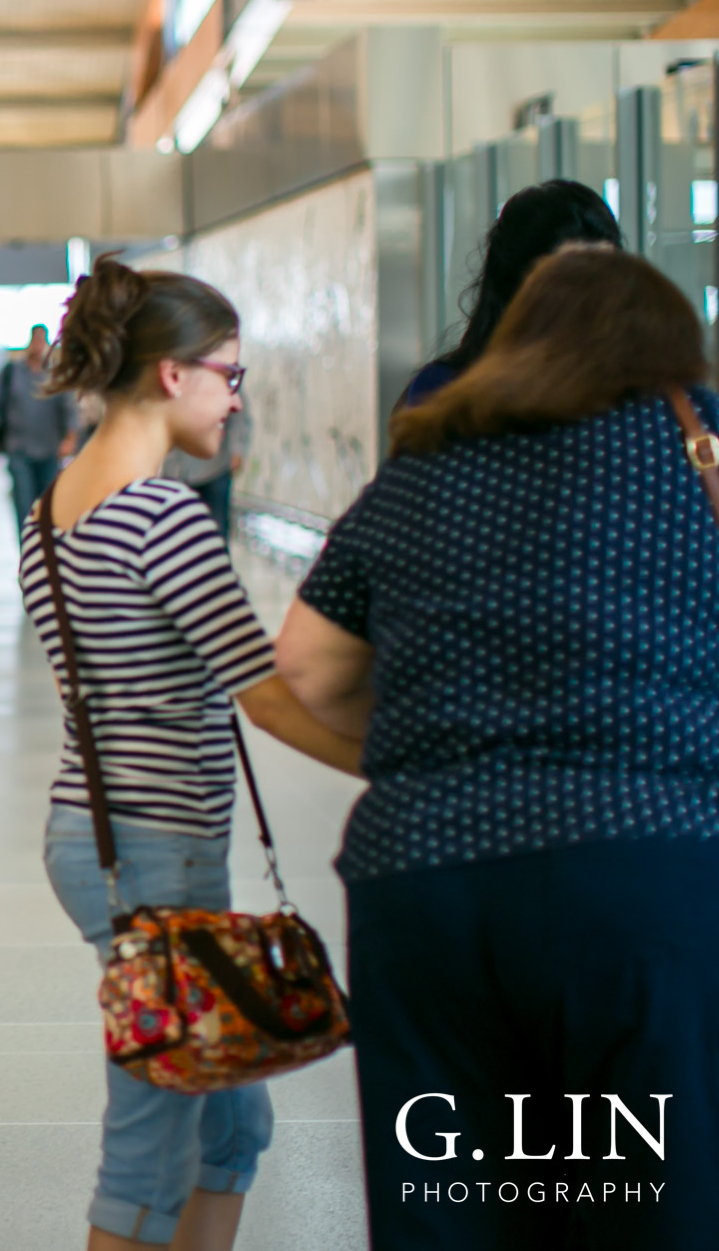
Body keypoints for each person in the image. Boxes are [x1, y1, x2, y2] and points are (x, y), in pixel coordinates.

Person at [275, 247, 719, 1251]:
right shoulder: (689, 455)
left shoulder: (427, 460)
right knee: (647, 1204)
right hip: (637, 868)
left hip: (422, 879)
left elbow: (302, 666)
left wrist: (435, 747)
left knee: (448, 1205)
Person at [22, 255, 361, 1251]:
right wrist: (399, 764)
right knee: (153, 1132)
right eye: (229, 376)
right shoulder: (161, 515)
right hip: (155, 849)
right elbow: (266, 698)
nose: (235, 400)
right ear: (171, 374)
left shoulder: (49, 514)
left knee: (227, 1112)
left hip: (92, 836)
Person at [398, 179, 620, 409]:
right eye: (566, 279)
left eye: (604, 275)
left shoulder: (633, 391)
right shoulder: (444, 389)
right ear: (515, 285)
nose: (590, 297)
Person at [0, 323, 81, 530]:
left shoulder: (56, 374)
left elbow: (70, 410)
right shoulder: (12, 373)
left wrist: (70, 440)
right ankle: (27, 550)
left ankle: (45, 550)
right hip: (19, 449)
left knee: (48, 506)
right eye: (35, 341)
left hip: (49, 450)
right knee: (24, 505)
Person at [159, 407, 247, 537]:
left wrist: (237, 448)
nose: (235, 402)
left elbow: (240, 415)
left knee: (215, 531)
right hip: (174, 472)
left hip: (213, 470)